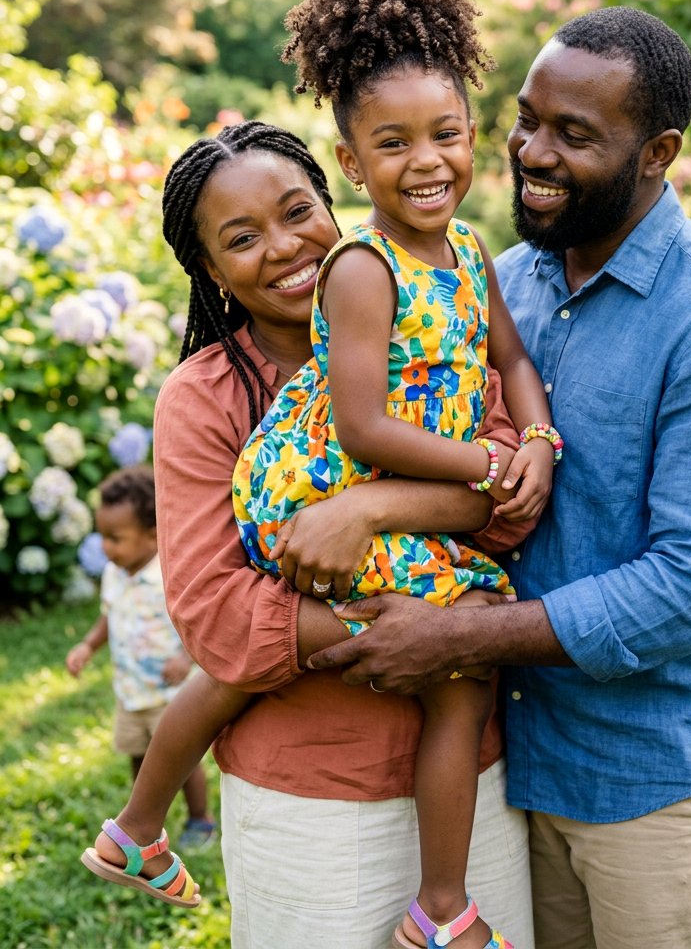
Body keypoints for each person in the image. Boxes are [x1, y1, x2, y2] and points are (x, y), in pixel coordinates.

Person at [308, 5, 691, 949]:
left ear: (657, 154)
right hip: (518, 768)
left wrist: (457, 635)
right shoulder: (502, 282)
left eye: (573, 135)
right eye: (527, 119)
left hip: (655, 781)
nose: (532, 152)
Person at [81, 117, 538, 947]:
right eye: (242, 238)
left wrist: (369, 510)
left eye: (298, 213)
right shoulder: (205, 398)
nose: (285, 247)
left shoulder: (442, 330)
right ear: (211, 269)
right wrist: (418, 630)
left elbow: (508, 503)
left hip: (474, 794)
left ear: (335, 205)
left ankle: (442, 905)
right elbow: (218, 618)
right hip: (311, 804)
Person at [67, 466, 213, 907]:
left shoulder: (169, 574)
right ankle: (146, 815)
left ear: (152, 535)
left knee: (181, 761)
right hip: (129, 691)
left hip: (170, 696)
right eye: (103, 536)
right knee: (138, 754)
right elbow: (108, 616)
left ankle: (201, 818)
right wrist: (88, 646)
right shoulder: (115, 574)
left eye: (116, 538)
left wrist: (185, 658)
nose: (106, 547)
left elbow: (197, 621)